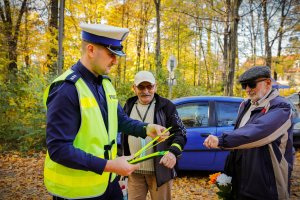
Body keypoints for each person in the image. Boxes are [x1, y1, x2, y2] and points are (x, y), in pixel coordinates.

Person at [44, 23, 168, 200]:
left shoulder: (105, 84)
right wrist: (110, 165)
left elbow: (120, 120)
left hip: (107, 184)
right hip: (77, 192)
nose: (116, 61)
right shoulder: (66, 89)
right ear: (91, 50)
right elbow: (58, 149)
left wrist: (147, 128)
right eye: (111, 54)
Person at [203, 66, 293, 200]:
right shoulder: (246, 105)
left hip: (267, 186)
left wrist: (222, 140)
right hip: (242, 181)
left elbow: (258, 132)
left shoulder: (281, 107)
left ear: (268, 83)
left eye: (251, 84)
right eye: (244, 85)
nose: (247, 90)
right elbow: (240, 135)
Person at [120, 71, 187, 200]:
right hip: (134, 170)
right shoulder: (128, 105)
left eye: (149, 86)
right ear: (134, 88)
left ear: (155, 87)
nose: (146, 91)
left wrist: (173, 152)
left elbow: (180, 133)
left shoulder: (166, 106)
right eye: (141, 87)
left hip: (160, 172)